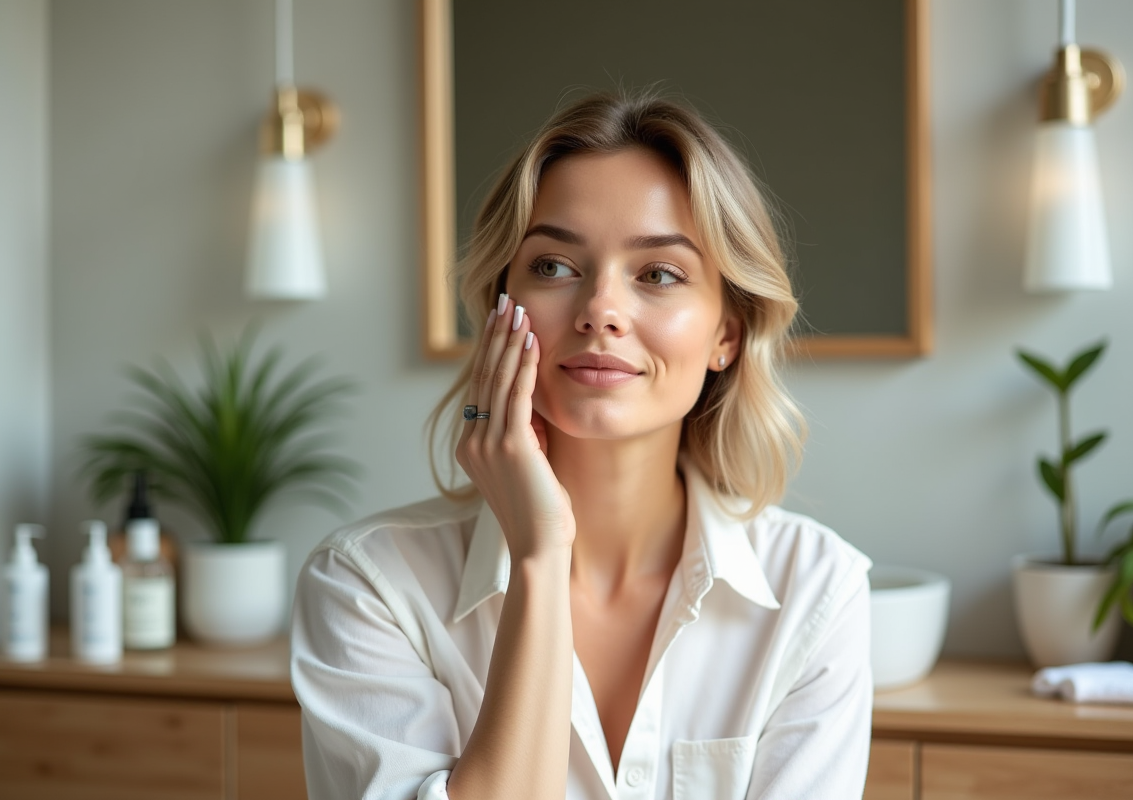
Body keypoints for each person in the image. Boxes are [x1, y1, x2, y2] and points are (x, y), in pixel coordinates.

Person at [291, 91, 872, 800]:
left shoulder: (816, 591)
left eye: (658, 274)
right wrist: (538, 557)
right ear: (502, 307)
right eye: (555, 267)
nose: (601, 309)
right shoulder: (369, 586)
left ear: (727, 333)